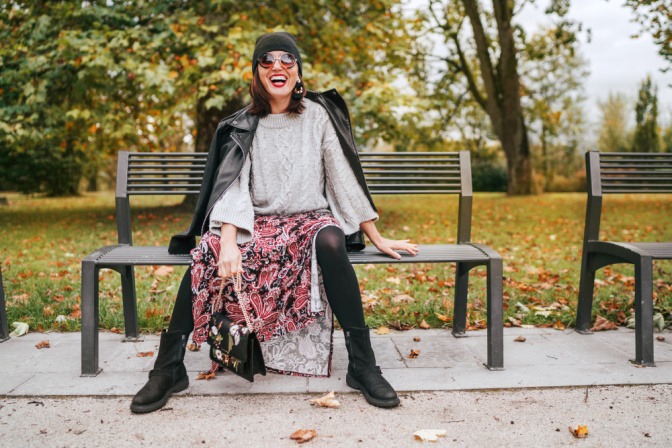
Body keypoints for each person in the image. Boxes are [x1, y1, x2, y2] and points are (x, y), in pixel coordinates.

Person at [130, 31, 418, 414]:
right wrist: (228, 241)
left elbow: (342, 177)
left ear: (298, 73)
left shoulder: (318, 116)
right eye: (267, 60)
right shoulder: (245, 124)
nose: (277, 66)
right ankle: (168, 368)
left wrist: (376, 236)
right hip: (259, 221)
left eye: (287, 60)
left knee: (331, 241)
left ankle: (363, 366)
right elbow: (233, 188)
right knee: (208, 251)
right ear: (257, 73)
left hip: (310, 220)